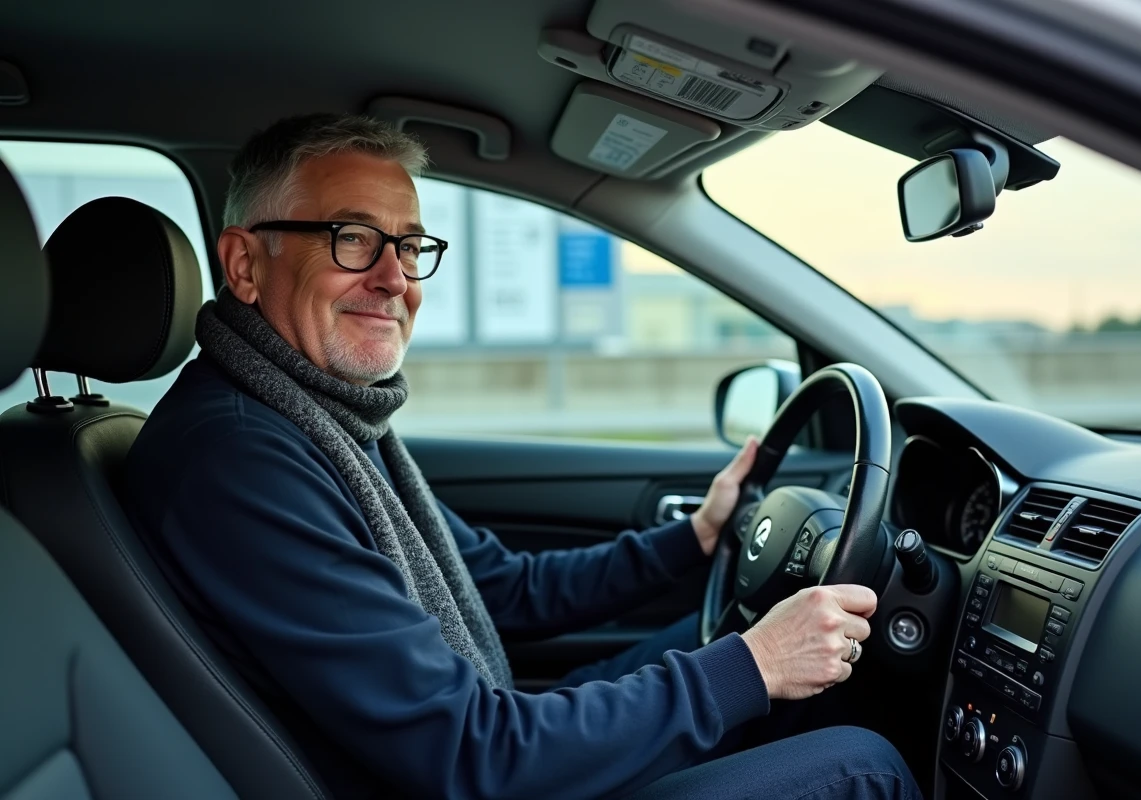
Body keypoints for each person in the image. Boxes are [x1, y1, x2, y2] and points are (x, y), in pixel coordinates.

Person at [124, 113, 920, 800]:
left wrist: (697, 539)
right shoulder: (238, 459)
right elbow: (474, 757)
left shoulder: (318, 421)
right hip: (469, 773)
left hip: (470, 756)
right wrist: (755, 664)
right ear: (242, 264)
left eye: (409, 245)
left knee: (748, 667)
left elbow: (502, 587)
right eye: (354, 238)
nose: (395, 278)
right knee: (862, 767)